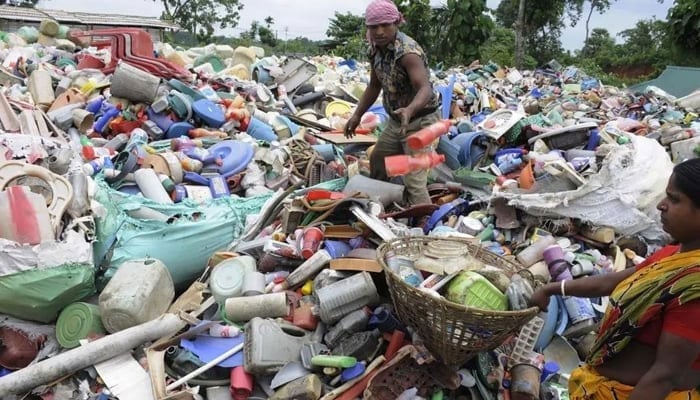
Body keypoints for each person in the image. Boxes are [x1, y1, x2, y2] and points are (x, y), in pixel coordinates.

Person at [530, 158, 700, 400]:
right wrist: (553, 289)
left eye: (674, 199)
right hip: (602, 387)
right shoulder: (674, 254)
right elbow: (611, 282)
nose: (662, 205)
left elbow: (665, 376)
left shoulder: (693, 288)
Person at [344, 0, 441, 206]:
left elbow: (425, 88)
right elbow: (373, 86)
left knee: (414, 180)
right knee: (379, 160)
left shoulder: (407, 52)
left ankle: (426, 226)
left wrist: (410, 109)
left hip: (421, 120)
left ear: (396, 23)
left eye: (385, 25)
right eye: (373, 26)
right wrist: (356, 115)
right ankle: (380, 204)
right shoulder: (375, 49)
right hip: (398, 120)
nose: (379, 31)